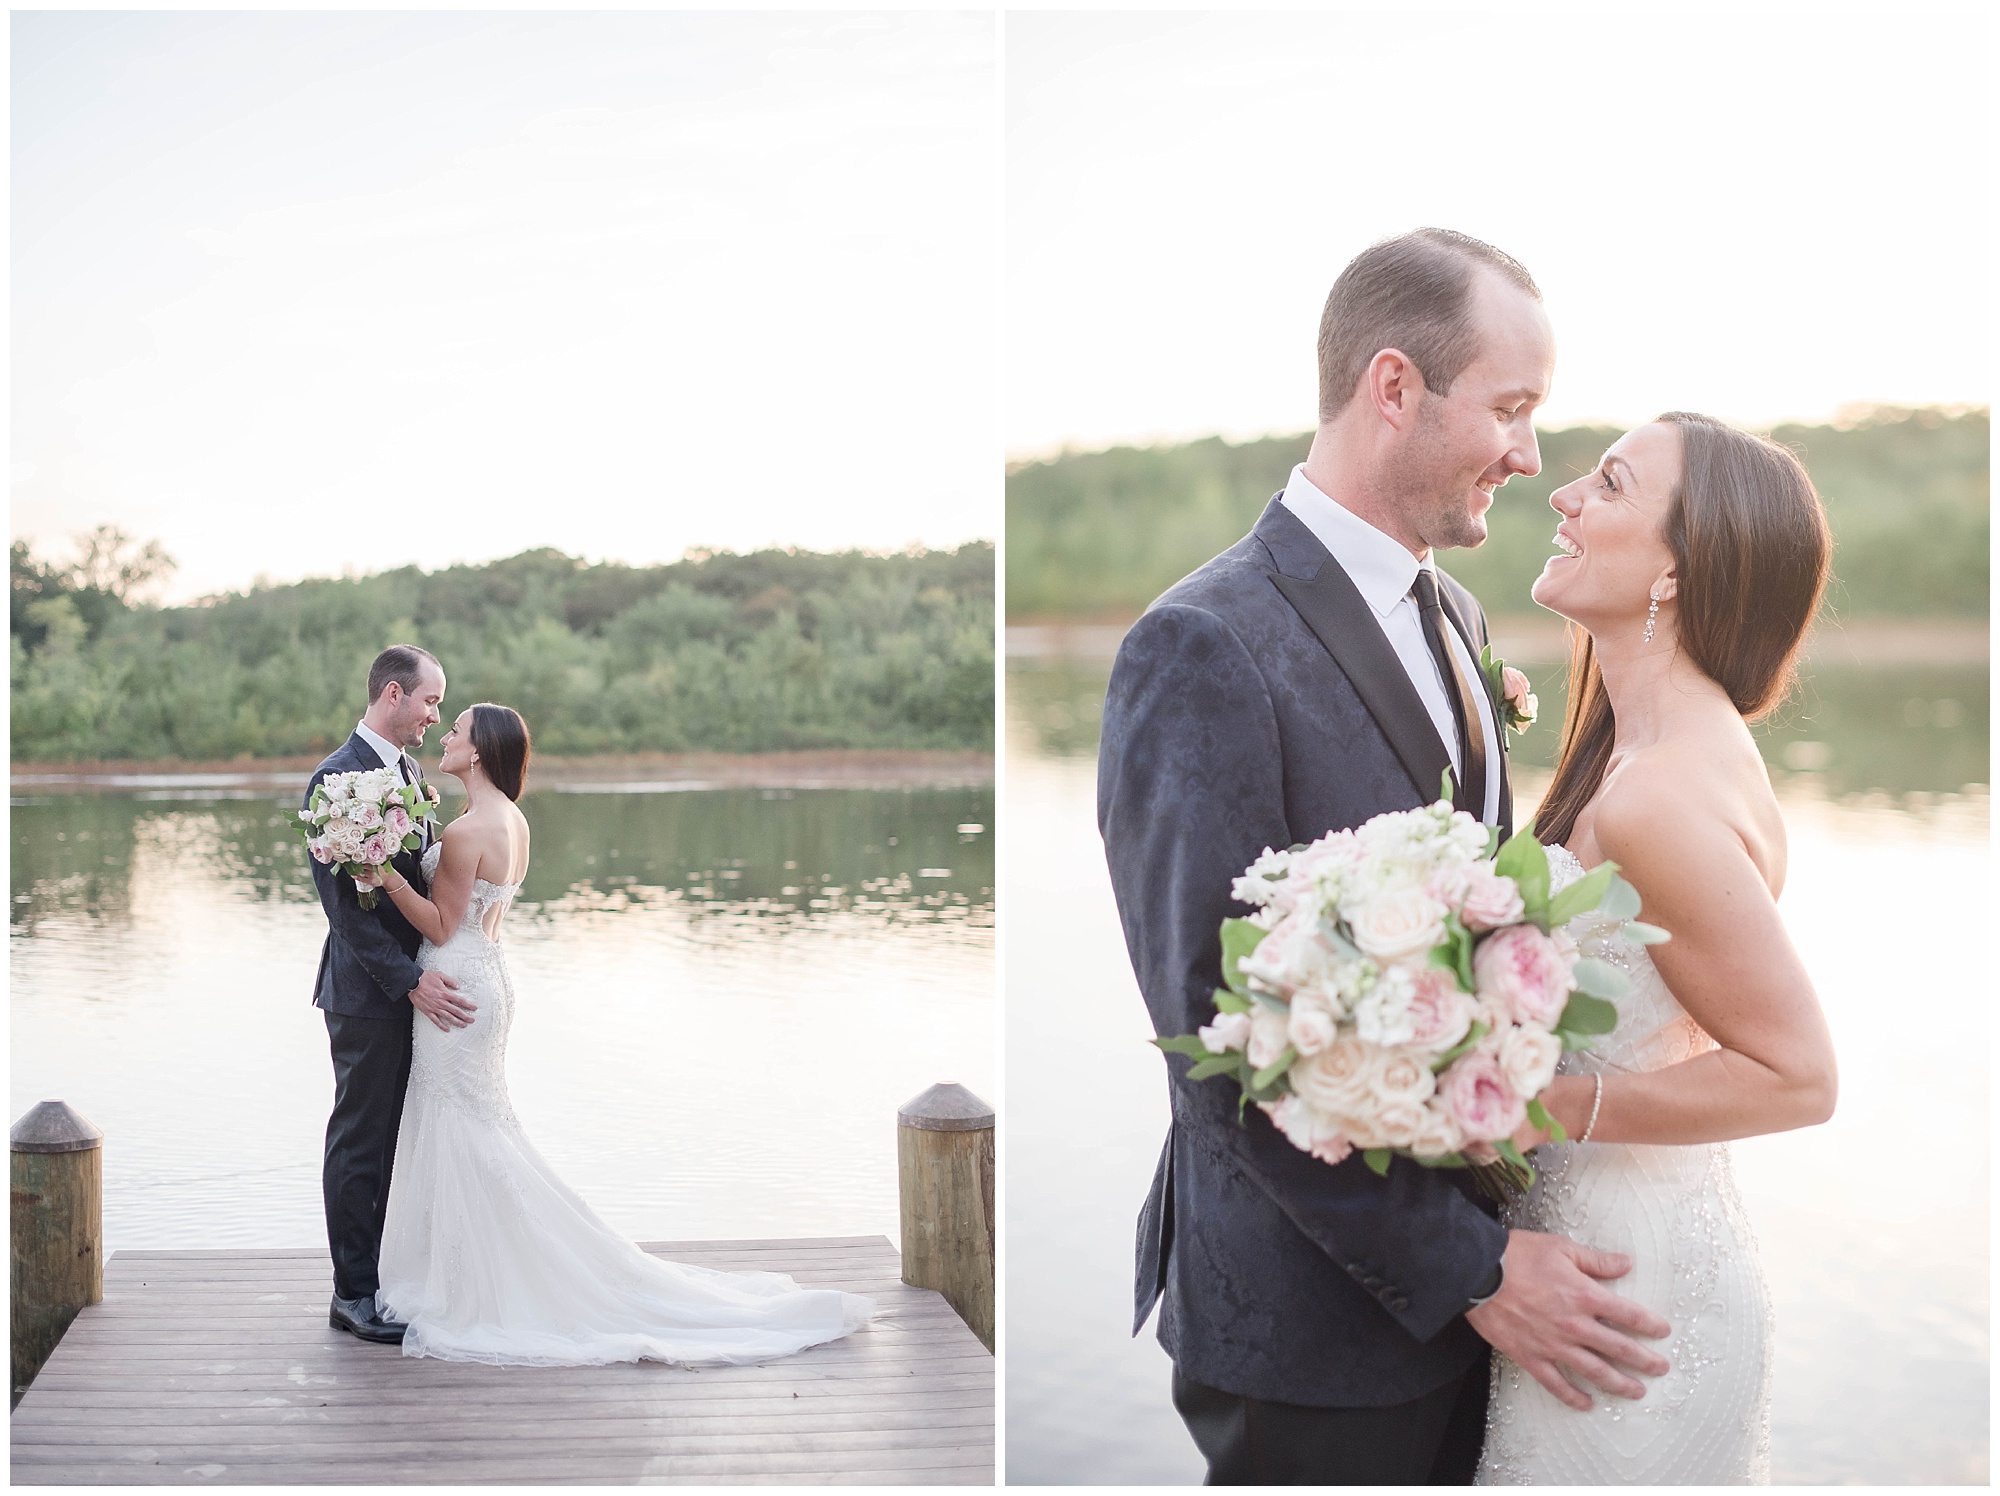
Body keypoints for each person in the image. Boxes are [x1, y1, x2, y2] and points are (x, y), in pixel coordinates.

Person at [1098, 229, 1671, 1484]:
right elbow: (1210, 1034)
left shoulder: (1456, 614)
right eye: (1511, 408)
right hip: (1310, 1330)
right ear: (1395, 386)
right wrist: (1468, 1272)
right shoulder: (1200, 645)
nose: (1530, 454)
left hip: (1491, 1297)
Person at [1472, 412, 1835, 1483]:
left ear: (1677, 567)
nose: (1563, 493)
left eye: (1610, 484)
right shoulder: (1647, 747)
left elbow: (1796, 1074)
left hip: (1625, 1297)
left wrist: (1527, 1106)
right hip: (1600, 1262)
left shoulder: (1659, 795)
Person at [363, 702, 874, 1366]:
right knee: (480, 1125)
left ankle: (480, 1278)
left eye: (456, 730)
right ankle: (481, 1262)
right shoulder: (512, 820)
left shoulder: (466, 833)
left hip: (455, 985)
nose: (447, 738)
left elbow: (438, 924)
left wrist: (380, 876)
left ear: (479, 753)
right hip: (490, 978)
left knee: (462, 1125)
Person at [308, 644, 472, 1345]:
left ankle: (385, 1279)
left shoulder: (404, 771)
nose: (435, 716)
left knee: (398, 1141)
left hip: (415, 988)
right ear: (395, 694)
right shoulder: (336, 780)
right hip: (367, 995)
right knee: (360, 1142)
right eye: (431, 701)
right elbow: (346, 911)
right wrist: (411, 983)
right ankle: (352, 1295)